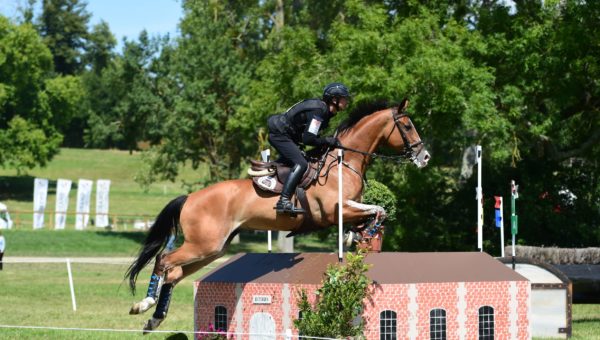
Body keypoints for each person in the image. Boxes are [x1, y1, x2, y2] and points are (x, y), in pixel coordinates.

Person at [267, 82, 351, 214]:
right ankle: (283, 201)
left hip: (287, 135)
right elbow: (308, 139)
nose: (347, 101)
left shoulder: (323, 110)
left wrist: (325, 141)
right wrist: (327, 140)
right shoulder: (320, 110)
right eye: (344, 98)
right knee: (301, 163)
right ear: (334, 99)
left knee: (303, 159)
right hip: (280, 135)